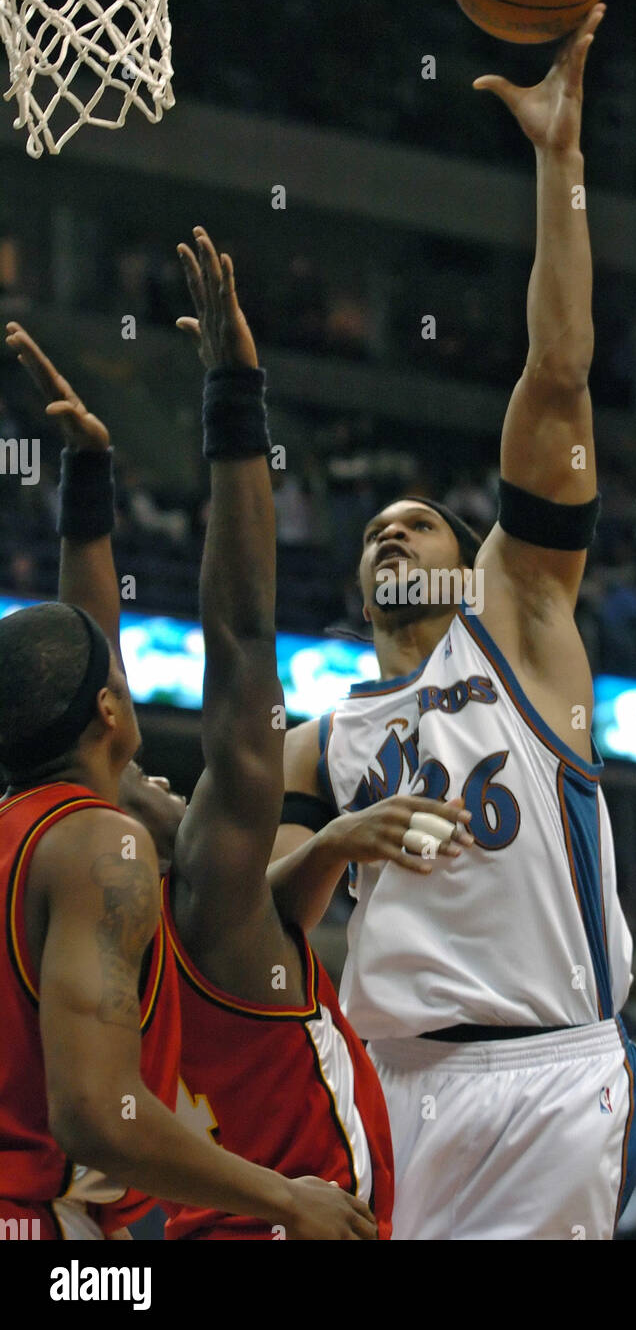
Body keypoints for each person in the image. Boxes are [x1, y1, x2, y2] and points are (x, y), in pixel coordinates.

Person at [274, 6, 636, 1240]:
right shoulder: (317, 740)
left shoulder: (522, 623)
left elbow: (558, 375)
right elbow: (250, 910)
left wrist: (559, 168)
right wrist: (339, 843)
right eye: (377, 529)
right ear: (358, 586)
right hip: (381, 1085)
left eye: (422, 521)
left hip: (544, 1076)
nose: (395, 532)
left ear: (470, 556)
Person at [1, 299, 377, 1241]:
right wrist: (235, 405)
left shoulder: (46, 842)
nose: (159, 785)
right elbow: (242, 644)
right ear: (107, 718)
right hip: (271, 1216)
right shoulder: (176, 882)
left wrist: (87, 489)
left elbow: (79, 661)